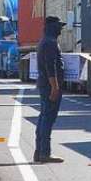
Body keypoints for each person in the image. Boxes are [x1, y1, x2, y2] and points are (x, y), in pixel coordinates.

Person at [34, 16, 65, 163]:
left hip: (45, 84)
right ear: (52, 27)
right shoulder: (50, 43)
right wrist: (55, 87)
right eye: (59, 26)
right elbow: (50, 67)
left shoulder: (45, 42)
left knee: (44, 117)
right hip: (49, 86)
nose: (61, 29)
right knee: (47, 119)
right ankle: (44, 153)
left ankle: (39, 151)